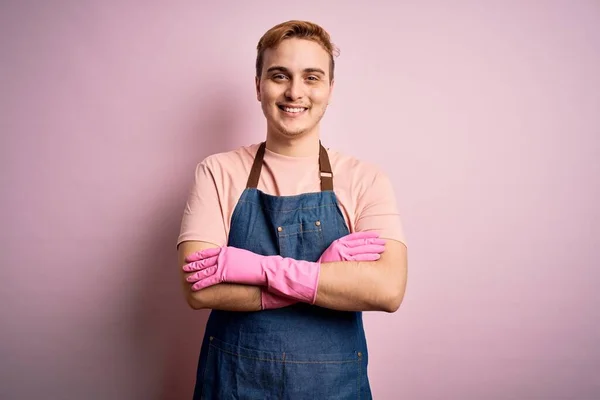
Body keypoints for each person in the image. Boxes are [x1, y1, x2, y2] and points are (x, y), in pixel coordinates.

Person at [176, 20, 408, 400]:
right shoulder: (217, 172)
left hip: (335, 390)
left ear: (330, 90)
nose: (294, 92)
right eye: (279, 75)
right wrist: (325, 275)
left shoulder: (365, 179)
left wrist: (260, 269)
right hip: (233, 385)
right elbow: (197, 290)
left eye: (311, 77)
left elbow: (387, 290)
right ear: (258, 86)